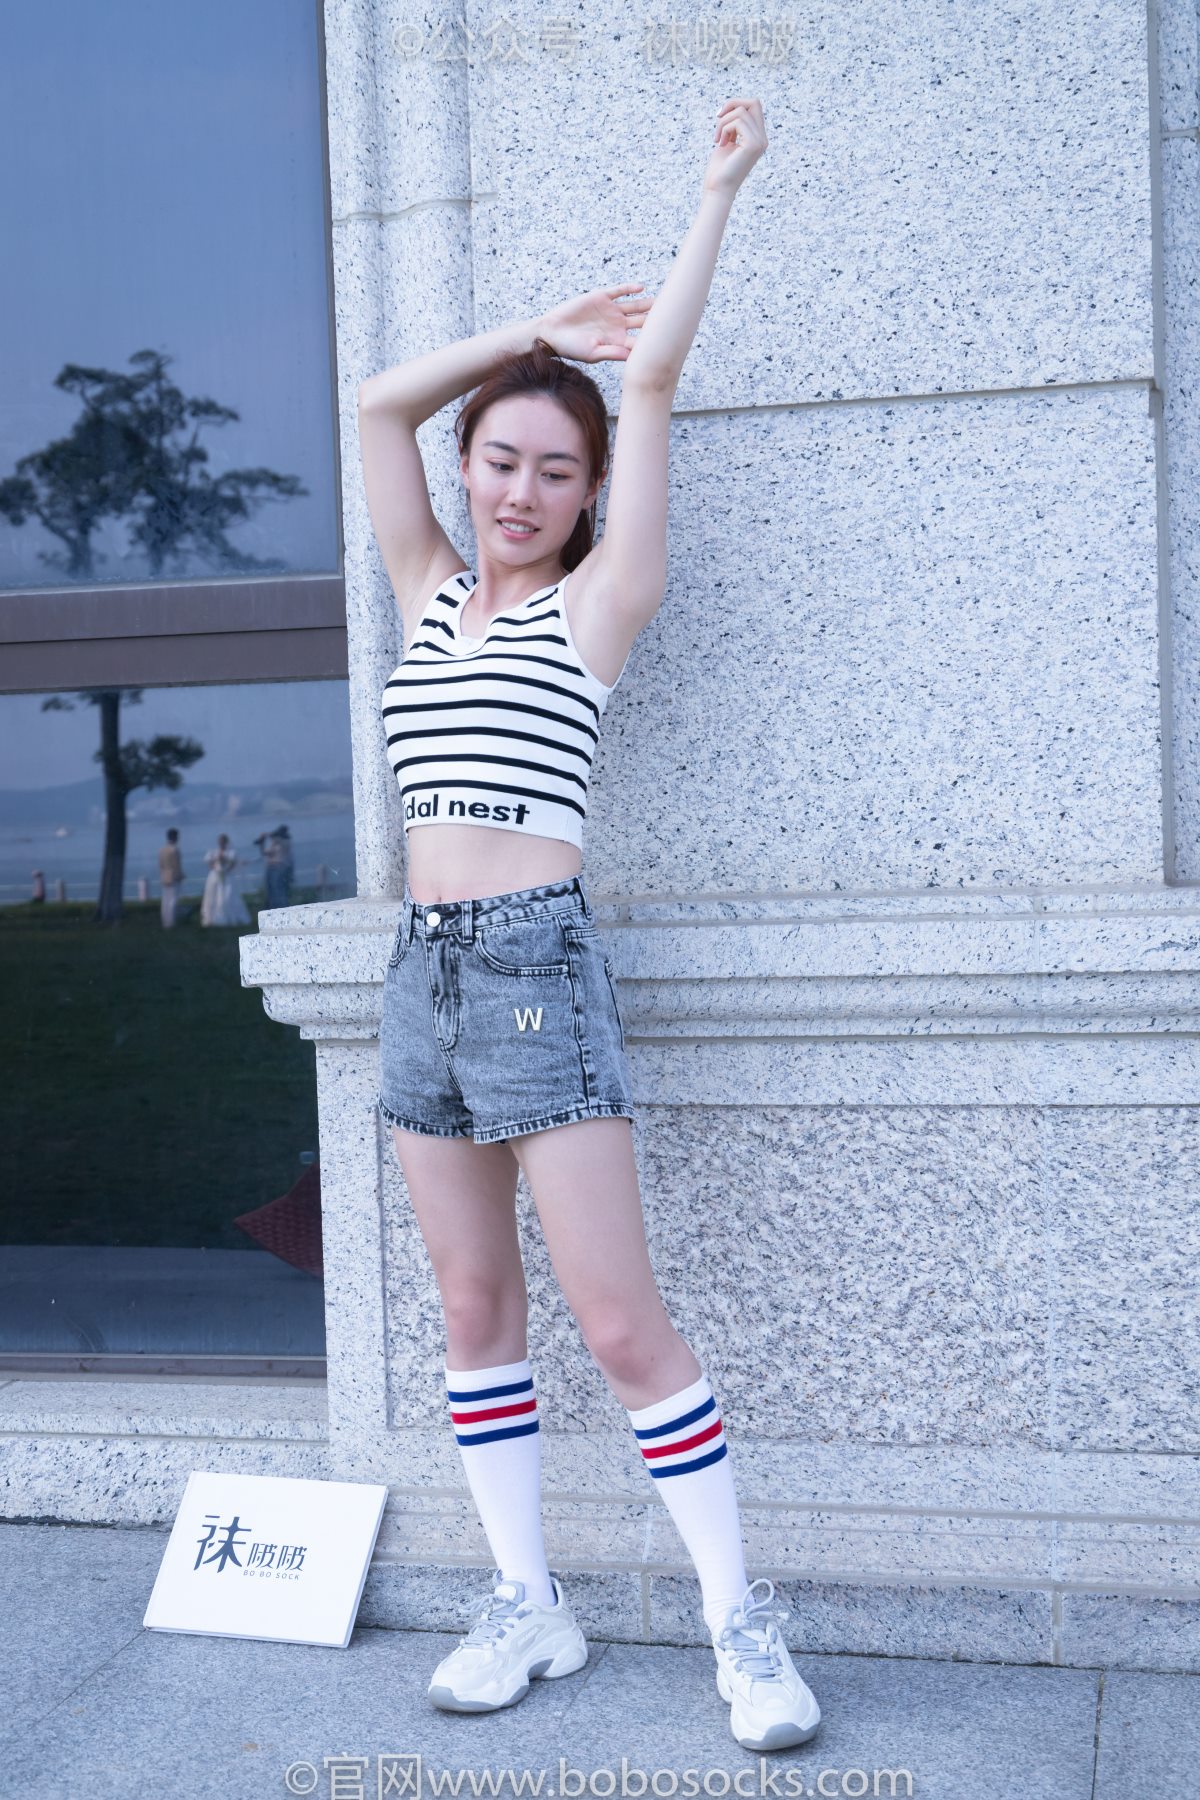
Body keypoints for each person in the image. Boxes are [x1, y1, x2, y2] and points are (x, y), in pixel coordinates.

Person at [360, 99, 818, 1752]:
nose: (523, 489)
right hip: (420, 978)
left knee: (619, 1324)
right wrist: (529, 336)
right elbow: (376, 404)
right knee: (474, 1310)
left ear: (589, 495)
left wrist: (717, 193)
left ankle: (740, 1626)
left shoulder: (598, 605)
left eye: (557, 470)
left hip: (537, 970)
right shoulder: (424, 590)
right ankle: (526, 1604)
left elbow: (661, 381)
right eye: (502, 459)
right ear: (470, 468)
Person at [200, 833, 252, 927]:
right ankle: (214, 918)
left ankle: (229, 917)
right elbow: (210, 863)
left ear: (226, 842)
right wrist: (215, 867)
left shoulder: (231, 852)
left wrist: (225, 869)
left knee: (228, 896)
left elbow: (233, 864)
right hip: (215, 876)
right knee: (213, 896)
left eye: (223, 842)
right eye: (220, 842)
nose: (221, 843)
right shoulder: (214, 852)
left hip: (228, 877)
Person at [158, 828, 184, 928]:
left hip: (165, 875)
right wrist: (180, 876)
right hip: (174, 877)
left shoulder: (161, 850)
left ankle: (165, 921)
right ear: (175, 837)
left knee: (165, 900)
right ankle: (171, 922)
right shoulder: (175, 850)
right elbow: (177, 865)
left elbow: (160, 865)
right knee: (173, 900)